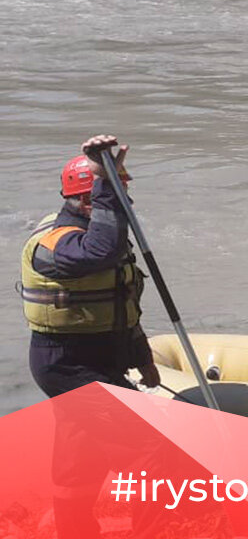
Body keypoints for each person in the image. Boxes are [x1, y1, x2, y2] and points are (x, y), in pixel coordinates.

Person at [21, 134, 159, 397]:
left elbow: (124, 303)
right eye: (120, 194)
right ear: (87, 202)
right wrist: (105, 182)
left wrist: (143, 358)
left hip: (103, 355)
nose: (127, 202)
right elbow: (101, 252)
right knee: (133, 421)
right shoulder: (57, 243)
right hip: (68, 365)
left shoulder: (100, 235)